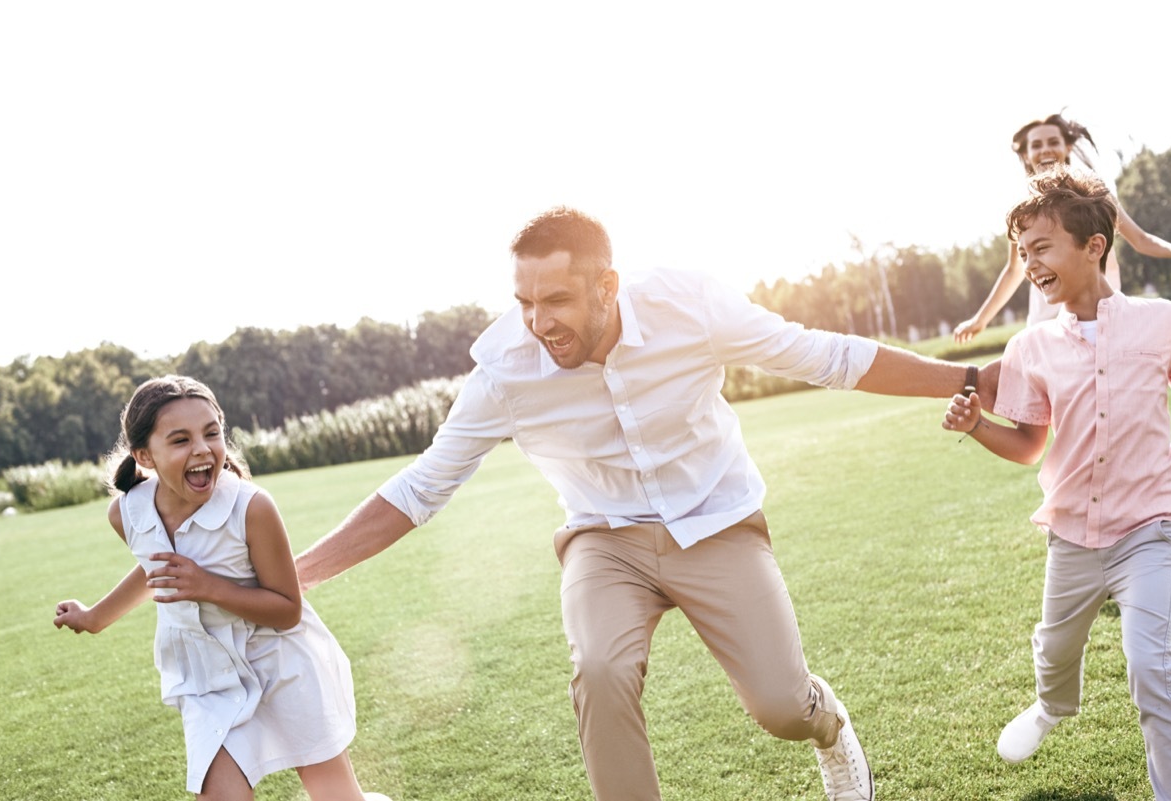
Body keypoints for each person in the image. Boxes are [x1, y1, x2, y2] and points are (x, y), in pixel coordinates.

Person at [295, 206, 998, 801]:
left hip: (716, 522)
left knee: (783, 706)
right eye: (525, 303)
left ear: (608, 286)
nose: (539, 322)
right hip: (605, 540)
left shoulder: (687, 306)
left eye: (557, 301)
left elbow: (827, 357)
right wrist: (298, 574)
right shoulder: (505, 372)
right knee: (599, 668)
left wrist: (970, 377)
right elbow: (421, 486)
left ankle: (830, 725)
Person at [943, 167, 1171, 799]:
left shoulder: (1162, 322)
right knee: (1055, 650)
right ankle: (1052, 707)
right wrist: (976, 427)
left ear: (1094, 247)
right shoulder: (1030, 348)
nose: (1030, 264)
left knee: (1150, 664)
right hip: (1073, 535)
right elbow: (1029, 445)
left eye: (1041, 249)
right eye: (1022, 253)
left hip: (1149, 527)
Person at [53, 376, 390, 801]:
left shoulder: (251, 507)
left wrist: (209, 587)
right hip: (209, 680)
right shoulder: (126, 513)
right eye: (180, 440)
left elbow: (288, 609)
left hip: (283, 666)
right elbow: (156, 568)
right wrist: (94, 616)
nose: (201, 448)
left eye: (212, 433)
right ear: (144, 456)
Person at [953, 112, 1171, 343]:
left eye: (1053, 141)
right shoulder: (1024, 209)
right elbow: (1014, 270)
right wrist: (980, 320)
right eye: (1036, 145)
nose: (1045, 149)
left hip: (1099, 316)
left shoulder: (1094, 195)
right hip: (1049, 323)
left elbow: (1140, 239)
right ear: (1026, 155)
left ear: (1067, 147)